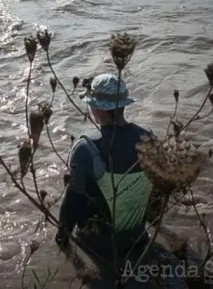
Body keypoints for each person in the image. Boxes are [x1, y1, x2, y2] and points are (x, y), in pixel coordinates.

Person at [56, 73, 154, 264]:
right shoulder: (149, 138)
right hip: (138, 239)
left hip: (99, 245)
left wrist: (61, 237)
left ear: (97, 108)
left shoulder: (86, 148)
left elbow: (72, 202)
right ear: (124, 104)